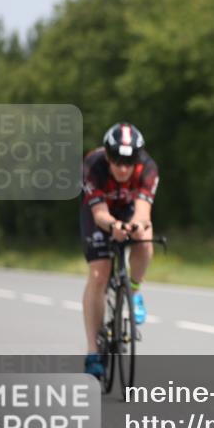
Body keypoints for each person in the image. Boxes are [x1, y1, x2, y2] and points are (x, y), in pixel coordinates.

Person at [79, 123, 159, 377]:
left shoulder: (148, 168)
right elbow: (99, 213)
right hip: (99, 213)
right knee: (99, 275)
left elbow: (143, 212)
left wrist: (136, 226)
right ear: (107, 155)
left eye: (129, 162)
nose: (123, 168)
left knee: (145, 237)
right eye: (117, 161)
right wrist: (114, 226)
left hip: (129, 209)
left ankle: (134, 290)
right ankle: (93, 351)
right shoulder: (92, 166)